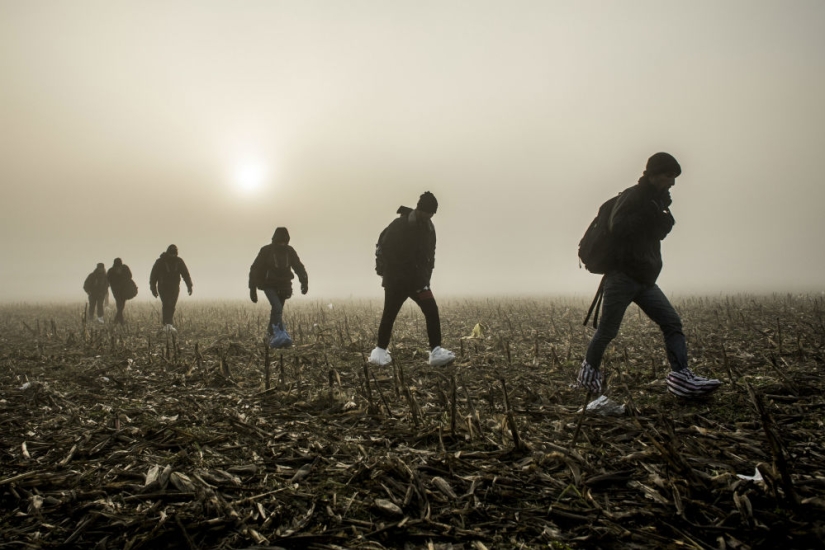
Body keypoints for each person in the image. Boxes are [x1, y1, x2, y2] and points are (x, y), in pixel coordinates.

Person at [576, 152, 721, 399]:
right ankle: (586, 381)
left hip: (645, 280)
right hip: (622, 277)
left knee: (672, 322)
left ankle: (681, 379)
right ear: (653, 174)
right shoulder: (634, 196)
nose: (672, 182)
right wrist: (652, 215)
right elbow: (618, 226)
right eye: (668, 175)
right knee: (607, 331)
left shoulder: (658, 203)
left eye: (674, 177)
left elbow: (652, 234)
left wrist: (662, 221)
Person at [369, 191, 455, 367]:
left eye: (433, 213)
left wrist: (426, 277)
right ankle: (379, 352)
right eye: (429, 212)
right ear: (420, 209)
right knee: (389, 315)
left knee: (431, 310)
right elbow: (386, 251)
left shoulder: (429, 228)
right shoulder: (399, 225)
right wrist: (398, 272)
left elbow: (431, 255)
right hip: (397, 282)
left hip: (418, 282)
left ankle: (436, 351)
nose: (431, 216)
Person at [249, 227, 308, 346]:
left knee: (277, 311)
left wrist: (304, 282)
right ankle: (279, 335)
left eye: (284, 241)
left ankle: (269, 337)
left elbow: (298, 267)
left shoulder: (290, 251)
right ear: (275, 240)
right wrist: (252, 289)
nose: (282, 244)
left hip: (285, 286)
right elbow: (255, 268)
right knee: (277, 308)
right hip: (268, 285)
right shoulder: (266, 251)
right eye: (280, 241)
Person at [149, 244, 193, 332]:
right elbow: (153, 276)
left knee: (172, 305)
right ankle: (167, 324)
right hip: (163, 287)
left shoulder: (179, 261)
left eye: (174, 253)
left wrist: (189, 286)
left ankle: (168, 324)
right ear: (168, 252)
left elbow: (185, 274)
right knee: (166, 304)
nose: (173, 255)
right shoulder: (160, 261)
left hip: (175, 287)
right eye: (172, 253)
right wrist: (153, 288)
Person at [107, 258, 136, 324]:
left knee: (120, 305)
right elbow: (108, 280)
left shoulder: (123, 268)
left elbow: (129, 276)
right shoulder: (112, 271)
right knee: (120, 305)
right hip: (117, 290)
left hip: (123, 289)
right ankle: (117, 321)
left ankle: (119, 320)